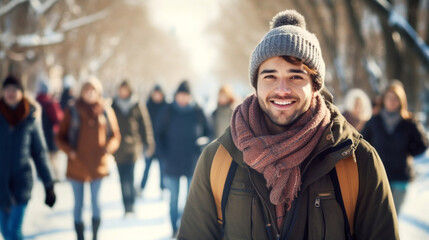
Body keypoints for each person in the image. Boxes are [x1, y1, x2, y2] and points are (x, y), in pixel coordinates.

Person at [178, 10, 399, 239]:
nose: (282, 89)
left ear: (315, 86)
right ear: (256, 85)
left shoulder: (356, 160)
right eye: (270, 76)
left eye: (295, 77)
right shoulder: (218, 160)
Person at [56, 76, 121, 240]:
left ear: (98, 92)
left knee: (96, 203)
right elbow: (59, 137)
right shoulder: (72, 110)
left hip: (98, 165)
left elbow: (115, 136)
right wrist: (69, 151)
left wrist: (108, 148)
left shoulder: (105, 110)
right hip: (76, 164)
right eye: (87, 90)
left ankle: (95, 236)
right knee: (78, 205)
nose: (90, 94)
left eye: (93, 90)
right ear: (81, 92)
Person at [0, 75, 56, 240]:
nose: (10, 93)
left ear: (22, 92)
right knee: (5, 232)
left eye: (14, 90)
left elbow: (39, 154)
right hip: (0, 184)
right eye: (7, 89)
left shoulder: (30, 118)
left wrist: (49, 184)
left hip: (21, 182)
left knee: (13, 233)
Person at [362, 81, 428, 214]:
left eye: (396, 98)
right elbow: (362, 144)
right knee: (378, 217)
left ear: (401, 101)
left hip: (400, 179)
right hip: (377, 177)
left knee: (393, 216)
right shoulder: (374, 121)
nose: (392, 101)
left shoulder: (408, 122)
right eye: (389, 98)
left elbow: (421, 146)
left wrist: (409, 148)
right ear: (384, 100)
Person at [156, 80, 211, 236]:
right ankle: (173, 228)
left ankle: (186, 228)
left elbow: (209, 132)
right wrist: (163, 155)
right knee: (173, 200)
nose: (183, 98)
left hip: (192, 162)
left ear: (190, 96)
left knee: (191, 200)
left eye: (186, 95)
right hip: (171, 162)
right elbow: (158, 133)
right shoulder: (168, 110)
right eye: (180, 95)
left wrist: (202, 146)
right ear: (176, 95)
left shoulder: (198, 111)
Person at [111, 80, 155, 215]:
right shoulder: (113, 105)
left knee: (130, 177)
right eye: (121, 89)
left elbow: (144, 125)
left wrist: (148, 143)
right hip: (118, 148)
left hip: (133, 147)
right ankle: (126, 205)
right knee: (122, 178)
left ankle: (131, 204)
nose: (123, 92)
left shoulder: (136, 105)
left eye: (125, 89)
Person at [140, 85, 168, 194]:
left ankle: (163, 188)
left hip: (162, 143)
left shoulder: (166, 107)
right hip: (149, 142)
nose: (157, 96)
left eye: (159, 94)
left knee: (162, 168)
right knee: (146, 167)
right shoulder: (147, 106)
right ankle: (142, 187)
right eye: (155, 93)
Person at [36, 80, 64, 181]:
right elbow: (58, 118)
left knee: (42, 156)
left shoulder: (35, 102)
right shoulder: (51, 103)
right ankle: (55, 176)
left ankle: (43, 174)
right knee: (54, 157)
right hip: (50, 134)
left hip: (38, 133)